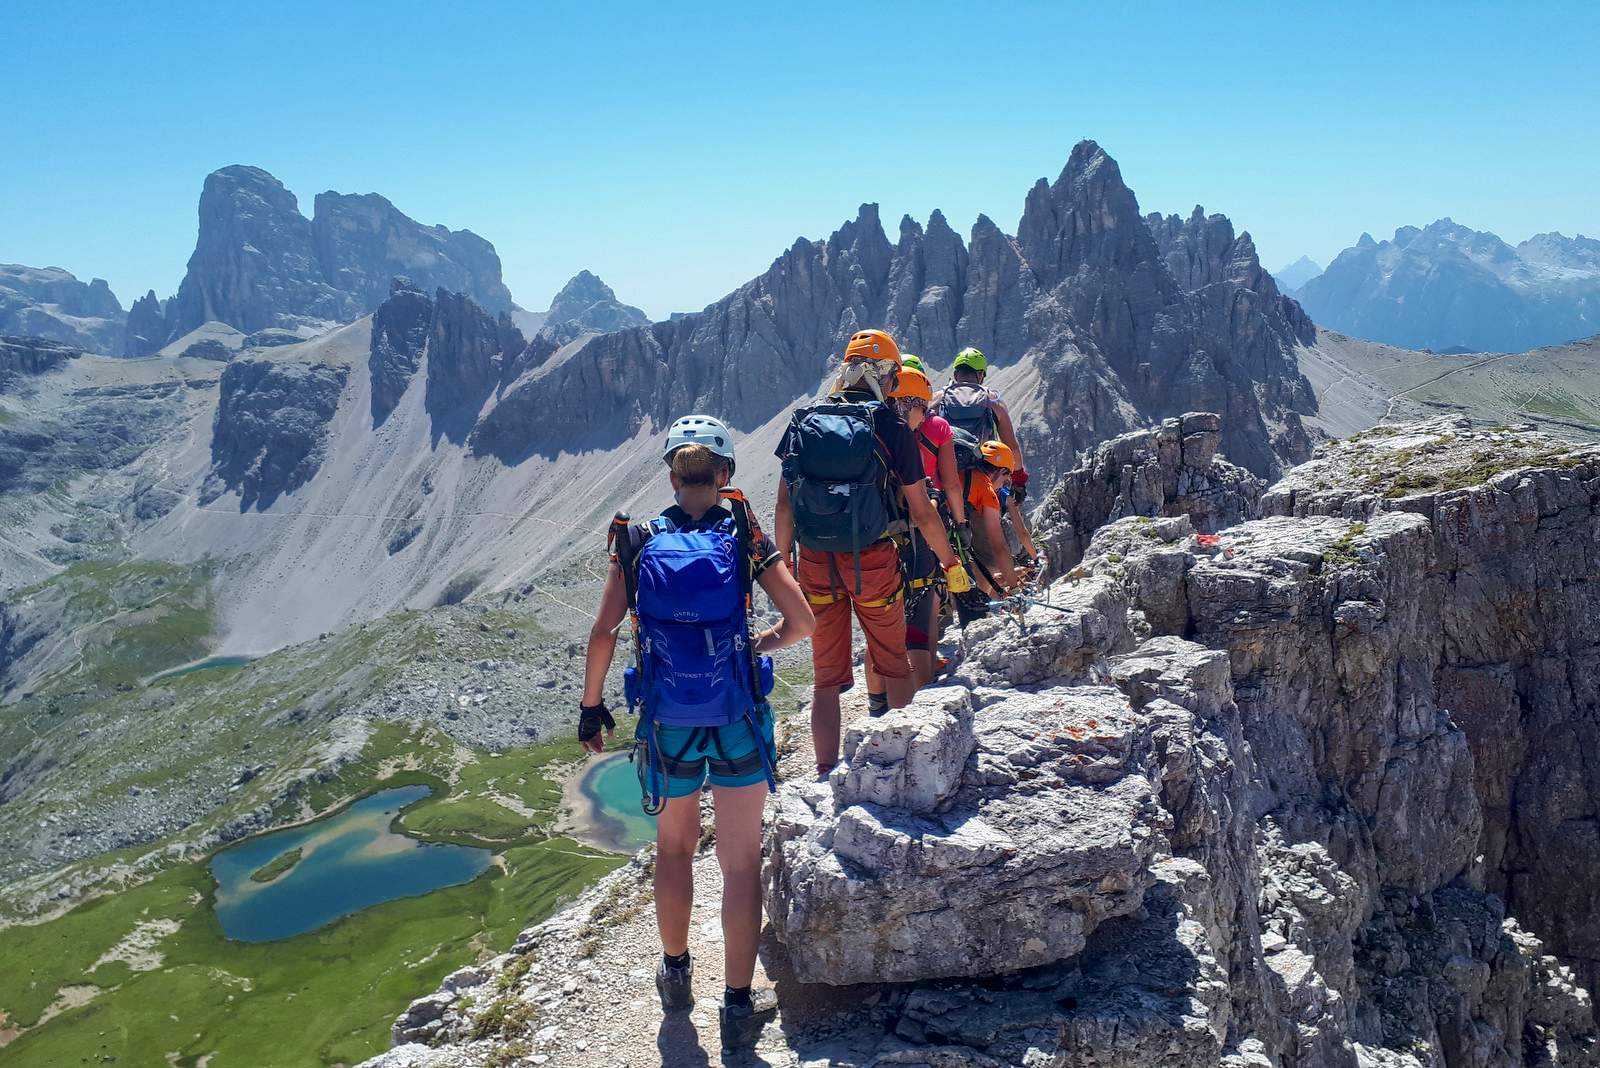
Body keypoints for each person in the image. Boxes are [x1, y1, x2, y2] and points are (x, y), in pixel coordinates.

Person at [579, 414, 814, 1053]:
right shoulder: (742, 532)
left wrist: (591, 709)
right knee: (739, 865)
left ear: (671, 474)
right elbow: (801, 621)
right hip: (735, 716)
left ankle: (676, 975)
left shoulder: (638, 537)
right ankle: (738, 1008)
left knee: (675, 849)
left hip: (667, 722)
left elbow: (603, 633)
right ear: (725, 473)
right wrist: (753, 646)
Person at [774, 329, 973, 773]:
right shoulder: (889, 426)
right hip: (874, 561)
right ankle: (902, 767)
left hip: (815, 563)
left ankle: (825, 774)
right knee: (894, 664)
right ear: (885, 374)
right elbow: (922, 512)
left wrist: (785, 566)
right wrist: (950, 562)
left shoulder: (802, 421)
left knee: (825, 681)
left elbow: (784, 504)